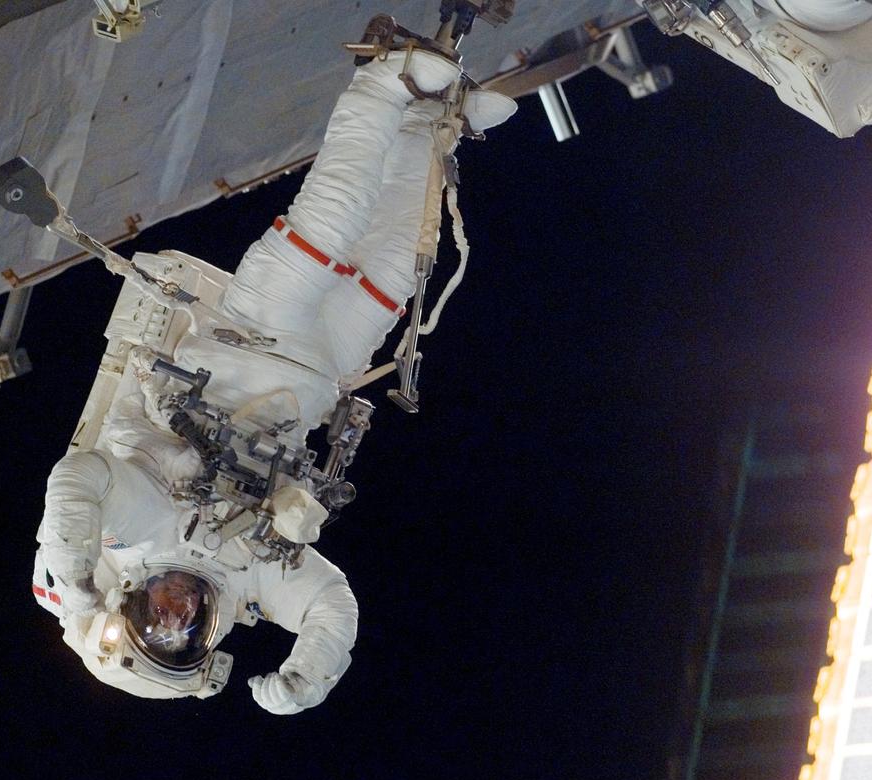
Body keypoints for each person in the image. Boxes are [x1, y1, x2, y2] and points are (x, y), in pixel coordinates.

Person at [31, 26, 516, 714]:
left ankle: (385, 82)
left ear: (130, 605)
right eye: (185, 631)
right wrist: (306, 678)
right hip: (319, 373)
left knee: (333, 219)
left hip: (246, 335)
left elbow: (76, 480)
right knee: (392, 263)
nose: (176, 613)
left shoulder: (134, 532)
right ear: (208, 631)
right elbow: (330, 602)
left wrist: (77, 584)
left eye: (157, 622)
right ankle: (432, 121)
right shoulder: (250, 576)